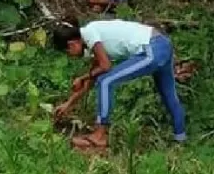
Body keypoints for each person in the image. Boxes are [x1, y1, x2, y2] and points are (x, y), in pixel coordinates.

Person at [51, 17, 187, 149]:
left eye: (67, 52)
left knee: (105, 81)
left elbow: (105, 66)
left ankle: (99, 136)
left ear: (71, 44)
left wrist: (82, 77)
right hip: (162, 44)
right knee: (168, 95)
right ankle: (180, 140)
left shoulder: (90, 33)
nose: (70, 56)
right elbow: (92, 78)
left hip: (151, 48)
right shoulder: (91, 40)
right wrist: (68, 104)